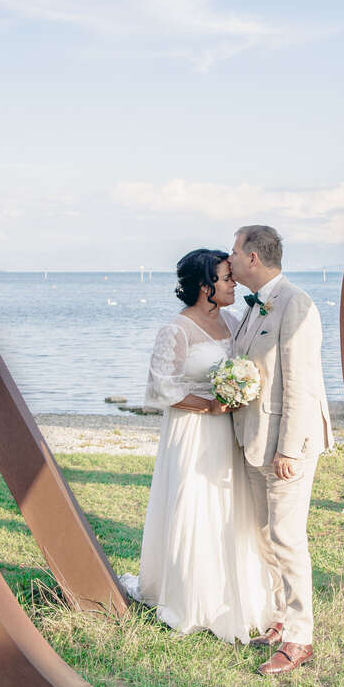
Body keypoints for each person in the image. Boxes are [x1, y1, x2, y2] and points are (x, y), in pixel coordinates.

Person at [120, 249, 273, 643]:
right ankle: (190, 597)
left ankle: (231, 595)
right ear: (206, 286)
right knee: (194, 505)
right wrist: (210, 405)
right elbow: (161, 388)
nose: (234, 284)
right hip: (192, 431)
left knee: (231, 508)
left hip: (230, 432)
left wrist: (241, 390)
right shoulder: (176, 330)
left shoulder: (234, 321)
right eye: (227, 278)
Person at [229, 225, 333, 675]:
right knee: (263, 535)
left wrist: (289, 450)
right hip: (254, 440)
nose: (229, 259)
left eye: (234, 252)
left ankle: (300, 637)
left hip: (287, 446)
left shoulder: (296, 304)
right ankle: (279, 618)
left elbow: (302, 384)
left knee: (287, 539)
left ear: (253, 257)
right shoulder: (254, 306)